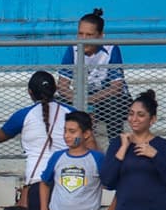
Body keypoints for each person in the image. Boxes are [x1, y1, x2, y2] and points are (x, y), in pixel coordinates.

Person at [0, 71, 71, 210]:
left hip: (37, 186)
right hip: (68, 183)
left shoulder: (24, 115)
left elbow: (0, 136)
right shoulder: (71, 112)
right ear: (55, 90)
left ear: (30, 92)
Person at [56, 7, 131, 136]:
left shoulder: (112, 49)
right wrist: (80, 101)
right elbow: (62, 86)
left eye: (89, 35)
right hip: (81, 98)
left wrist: (90, 100)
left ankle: (115, 146)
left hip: (107, 100)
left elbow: (116, 87)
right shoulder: (72, 49)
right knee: (54, 102)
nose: (83, 39)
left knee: (114, 104)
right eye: (80, 33)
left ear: (101, 36)